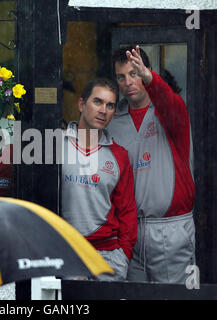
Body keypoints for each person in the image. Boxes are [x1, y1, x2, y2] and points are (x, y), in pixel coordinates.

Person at [107, 45, 196, 283]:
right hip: (129, 233)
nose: (128, 82)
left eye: (134, 73)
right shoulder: (113, 122)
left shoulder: (170, 113)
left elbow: (170, 102)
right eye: (121, 77)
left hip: (170, 229)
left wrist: (150, 79)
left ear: (147, 71)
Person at [61, 78, 137, 281]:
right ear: (81, 104)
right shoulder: (56, 145)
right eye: (97, 102)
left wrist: (124, 255)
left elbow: (127, 211)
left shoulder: (119, 155)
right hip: (66, 251)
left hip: (108, 256)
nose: (103, 110)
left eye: (110, 105)